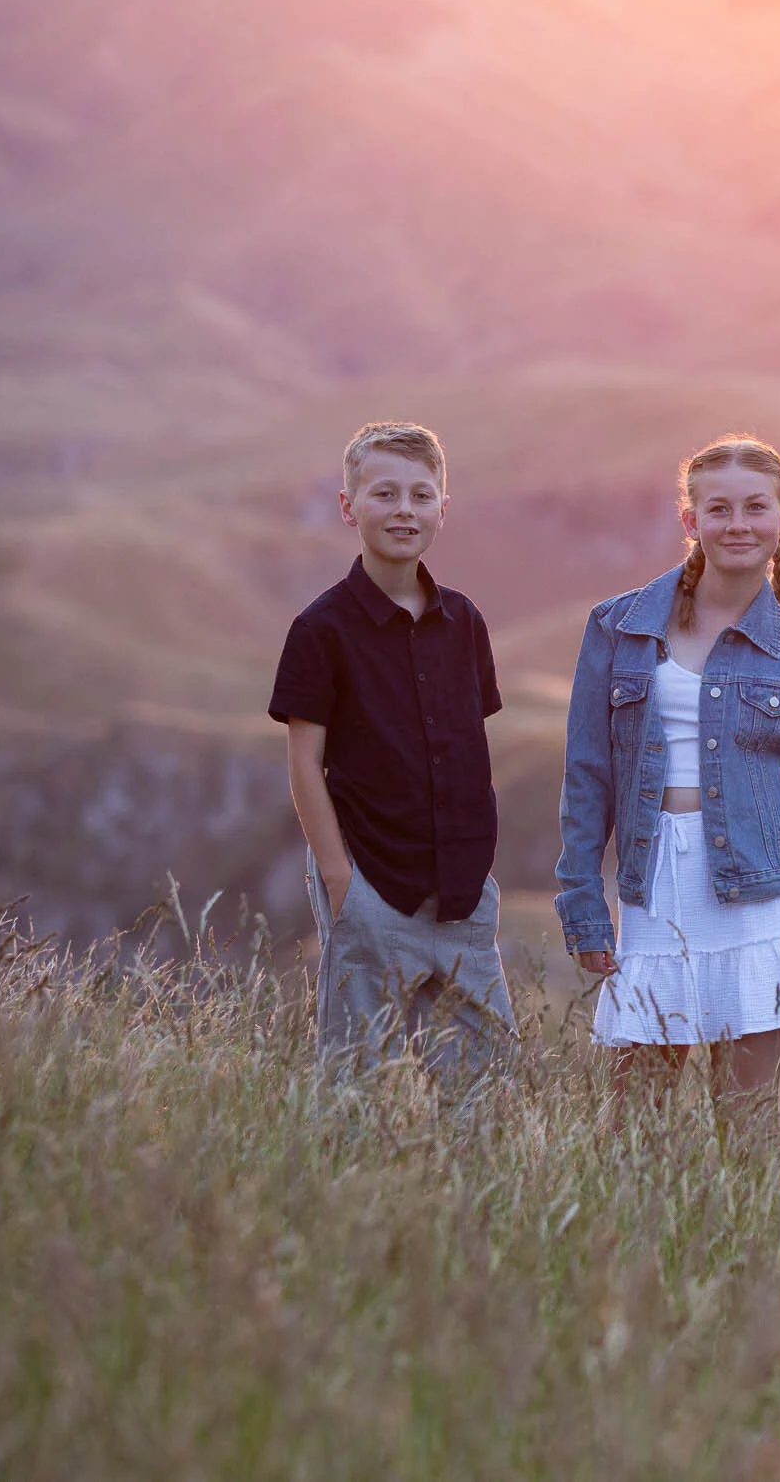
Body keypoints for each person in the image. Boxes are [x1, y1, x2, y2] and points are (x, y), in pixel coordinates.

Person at [553, 436, 780, 1107]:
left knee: (745, 1121)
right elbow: (588, 777)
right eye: (719, 508)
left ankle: (748, 1220)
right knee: (636, 1122)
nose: (738, 524)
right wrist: (582, 903)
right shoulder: (618, 626)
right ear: (691, 520)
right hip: (656, 888)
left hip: (763, 898)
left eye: (756, 507)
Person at [269, 420, 516, 1080]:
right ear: (350, 507)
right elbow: (303, 763)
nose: (404, 509)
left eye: (420, 494)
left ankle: (463, 1185)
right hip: (371, 885)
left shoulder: (465, 622)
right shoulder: (320, 630)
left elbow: (468, 745)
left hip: (462, 895)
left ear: (442, 507)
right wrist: (340, 882)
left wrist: (478, 866)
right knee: (359, 1078)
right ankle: (353, 1185)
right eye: (384, 494)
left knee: (484, 1078)